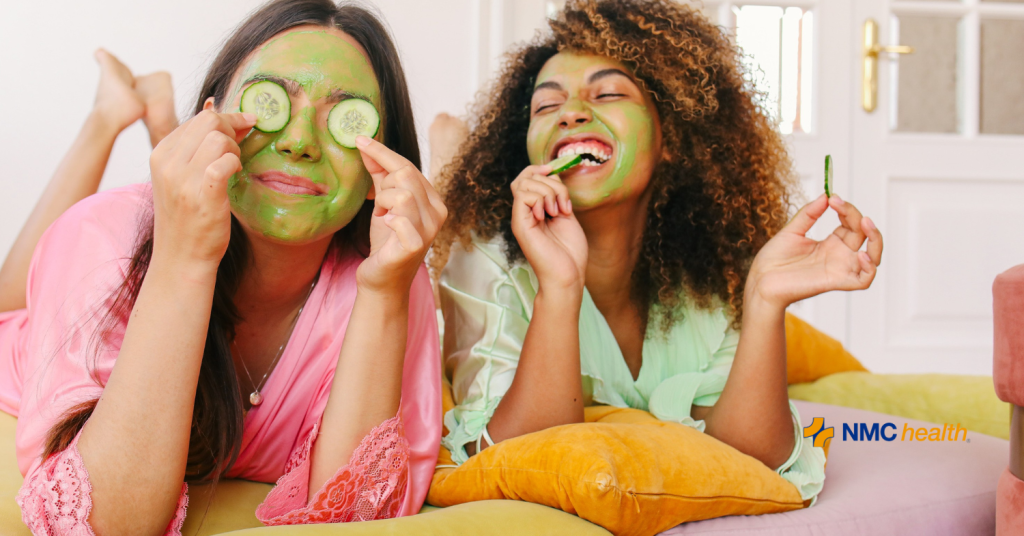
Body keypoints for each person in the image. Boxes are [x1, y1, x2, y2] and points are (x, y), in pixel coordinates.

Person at [0, 0, 446, 534]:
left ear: (381, 169)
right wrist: (185, 257)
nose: (300, 142)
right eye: (273, 101)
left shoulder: (391, 274)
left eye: (345, 119)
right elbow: (105, 524)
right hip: (28, 341)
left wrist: (383, 293)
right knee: (17, 294)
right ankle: (109, 115)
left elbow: (354, 518)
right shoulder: (103, 238)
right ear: (211, 119)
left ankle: (149, 119)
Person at [432, 0, 883, 506]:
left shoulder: (709, 267)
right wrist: (559, 288)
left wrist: (764, 300)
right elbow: (513, 458)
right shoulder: (486, 255)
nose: (572, 112)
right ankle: (447, 147)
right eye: (545, 106)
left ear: (671, 138)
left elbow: (757, 458)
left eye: (606, 93)